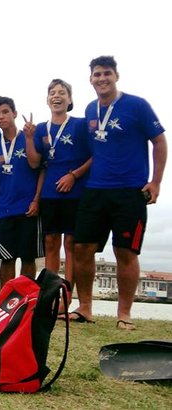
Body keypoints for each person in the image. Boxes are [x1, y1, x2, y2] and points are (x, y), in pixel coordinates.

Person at [73, 56, 167, 330]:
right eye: (96, 75)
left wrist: (156, 182)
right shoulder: (91, 110)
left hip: (130, 191)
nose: (101, 79)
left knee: (125, 251)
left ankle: (124, 313)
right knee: (82, 248)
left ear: (116, 76)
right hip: (95, 190)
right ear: (90, 79)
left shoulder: (137, 105)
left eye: (106, 73)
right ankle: (85, 307)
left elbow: (159, 142)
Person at [24, 79, 91, 312]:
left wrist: (74, 175)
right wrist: (29, 138)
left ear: (70, 99)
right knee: (50, 243)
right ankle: (52, 294)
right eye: (52, 92)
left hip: (75, 192)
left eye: (62, 92)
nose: (56, 96)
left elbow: (94, 156)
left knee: (71, 243)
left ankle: (68, 295)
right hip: (50, 194)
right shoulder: (40, 129)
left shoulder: (81, 125)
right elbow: (34, 163)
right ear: (47, 99)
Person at [0, 96, 44, 287]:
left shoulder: (30, 137)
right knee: (6, 258)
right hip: (4, 209)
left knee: (28, 257)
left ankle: (25, 299)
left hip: (28, 207)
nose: (1, 117)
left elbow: (40, 167)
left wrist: (36, 200)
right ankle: (6, 300)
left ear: (15, 114)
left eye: (5, 112)